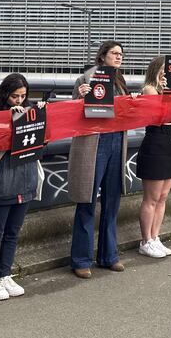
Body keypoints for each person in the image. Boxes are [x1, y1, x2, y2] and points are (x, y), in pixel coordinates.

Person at [68, 41, 130, 278]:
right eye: (114, 53)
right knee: (87, 201)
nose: (119, 57)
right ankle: (81, 259)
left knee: (112, 200)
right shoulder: (86, 78)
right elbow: (72, 112)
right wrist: (79, 96)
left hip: (116, 141)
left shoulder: (120, 81)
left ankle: (109, 255)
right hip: (94, 142)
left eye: (121, 54)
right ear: (102, 56)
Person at [0, 73, 45, 300]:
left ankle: (5, 273)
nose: (19, 101)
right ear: (5, 94)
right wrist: (8, 121)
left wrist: (38, 122)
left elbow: (39, 147)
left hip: (25, 180)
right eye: (15, 96)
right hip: (2, 181)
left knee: (13, 232)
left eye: (23, 96)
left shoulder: (30, 113)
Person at [136, 56, 171, 258]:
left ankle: (155, 236)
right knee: (151, 198)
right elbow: (159, 114)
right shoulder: (149, 89)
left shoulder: (168, 92)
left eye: (169, 71)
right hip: (155, 141)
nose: (166, 74)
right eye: (163, 70)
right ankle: (146, 240)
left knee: (162, 197)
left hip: (170, 139)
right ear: (156, 70)